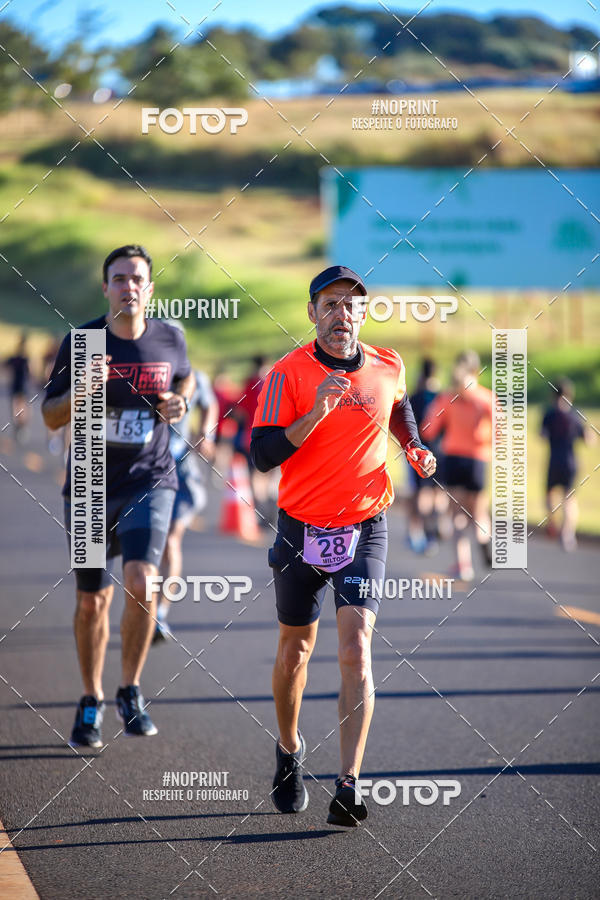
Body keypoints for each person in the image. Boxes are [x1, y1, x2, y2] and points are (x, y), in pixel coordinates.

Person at [250, 265, 436, 827]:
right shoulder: (288, 374)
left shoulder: (388, 364)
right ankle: (288, 750)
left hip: (365, 524)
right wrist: (315, 415)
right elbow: (261, 454)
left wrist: (415, 446)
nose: (342, 315)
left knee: (356, 649)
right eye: (330, 304)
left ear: (363, 313)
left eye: (351, 306)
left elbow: (398, 408)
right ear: (312, 313)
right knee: (295, 653)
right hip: (301, 527)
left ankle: (349, 783)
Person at [42, 244, 195, 747]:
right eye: (119, 278)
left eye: (137, 279)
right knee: (92, 602)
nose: (129, 286)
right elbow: (50, 415)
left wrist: (180, 401)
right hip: (87, 482)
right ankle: (91, 699)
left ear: (150, 289)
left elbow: (185, 380)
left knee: (142, 580)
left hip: (149, 478)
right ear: (105, 287)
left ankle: (129, 687)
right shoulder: (82, 341)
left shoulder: (170, 338)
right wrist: (80, 390)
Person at [154, 364, 218, 642]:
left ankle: (160, 614)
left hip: (179, 468)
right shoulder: (142, 374)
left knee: (170, 539)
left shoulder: (193, 376)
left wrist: (206, 431)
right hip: (141, 470)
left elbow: (210, 403)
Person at [421, 350, 494, 582]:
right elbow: (500, 431)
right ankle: (484, 541)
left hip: (453, 458)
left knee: (457, 515)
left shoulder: (447, 397)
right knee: (479, 511)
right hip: (478, 458)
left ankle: (463, 564)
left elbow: (429, 428)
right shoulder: (485, 398)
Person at [541, 378, 594, 551]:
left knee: (549, 495)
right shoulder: (575, 415)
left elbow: (542, 435)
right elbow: (588, 440)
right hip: (571, 462)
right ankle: (568, 534)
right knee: (569, 498)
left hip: (554, 460)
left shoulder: (549, 414)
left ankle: (553, 523)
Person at [406, 358, 449, 555]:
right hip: (439, 449)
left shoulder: (413, 397)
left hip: (417, 450)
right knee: (438, 491)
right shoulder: (442, 397)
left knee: (420, 492)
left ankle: (420, 531)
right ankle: (438, 525)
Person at [5, 332, 31, 442]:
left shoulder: (23, 359)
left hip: (21, 386)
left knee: (20, 408)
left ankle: (21, 427)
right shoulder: (19, 358)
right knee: (18, 408)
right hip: (18, 386)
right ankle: (20, 427)